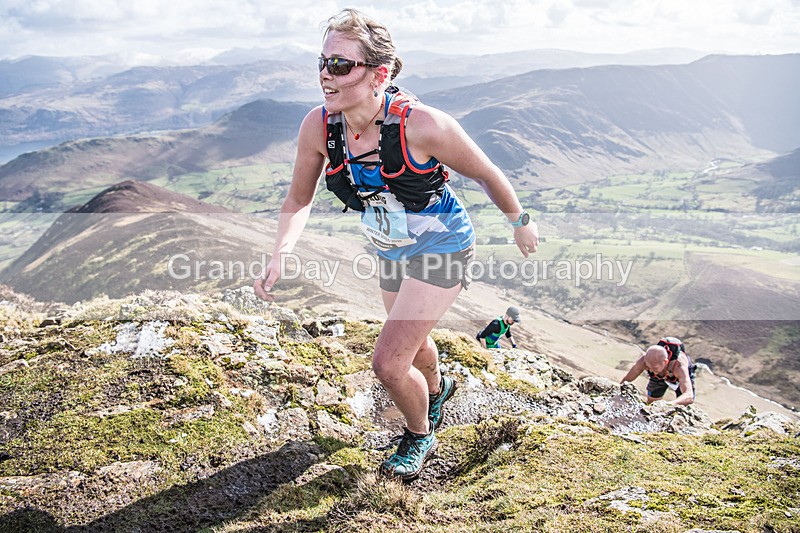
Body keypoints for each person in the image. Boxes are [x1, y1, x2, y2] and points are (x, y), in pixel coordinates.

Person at [253, 8, 539, 482]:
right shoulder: (318, 127)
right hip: (388, 248)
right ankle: (438, 387)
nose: (326, 74)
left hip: (443, 244)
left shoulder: (422, 125)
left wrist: (520, 221)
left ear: (378, 74)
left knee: (388, 362)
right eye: (322, 62)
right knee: (413, 340)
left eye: (341, 65)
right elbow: (298, 197)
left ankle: (420, 431)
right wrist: (282, 250)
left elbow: (486, 173)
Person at [620, 337, 697, 406]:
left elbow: (689, 395)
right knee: (652, 402)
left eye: (654, 367)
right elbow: (627, 379)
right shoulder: (644, 361)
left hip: (675, 374)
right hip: (660, 374)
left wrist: (669, 404)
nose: (651, 370)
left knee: (684, 405)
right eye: (648, 367)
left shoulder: (679, 367)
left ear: (665, 362)